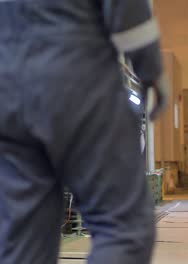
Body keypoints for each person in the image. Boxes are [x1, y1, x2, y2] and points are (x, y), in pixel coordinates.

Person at [0, 0, 167, 263]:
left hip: (7, 87)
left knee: (23, 239)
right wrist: (151, 69)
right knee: (123, 227)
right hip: (76, 75)